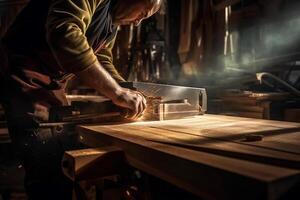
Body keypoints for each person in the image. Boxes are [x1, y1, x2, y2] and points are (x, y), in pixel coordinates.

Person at [0, 0, 162, 199]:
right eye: (142, 13)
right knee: (46, 157)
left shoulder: (110, 20)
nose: (137, 23)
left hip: (51, 81)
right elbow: (64, 32)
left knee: (60, 151)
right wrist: (117, 93)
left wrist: (125, 88)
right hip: (24, 71)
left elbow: (101, 56)